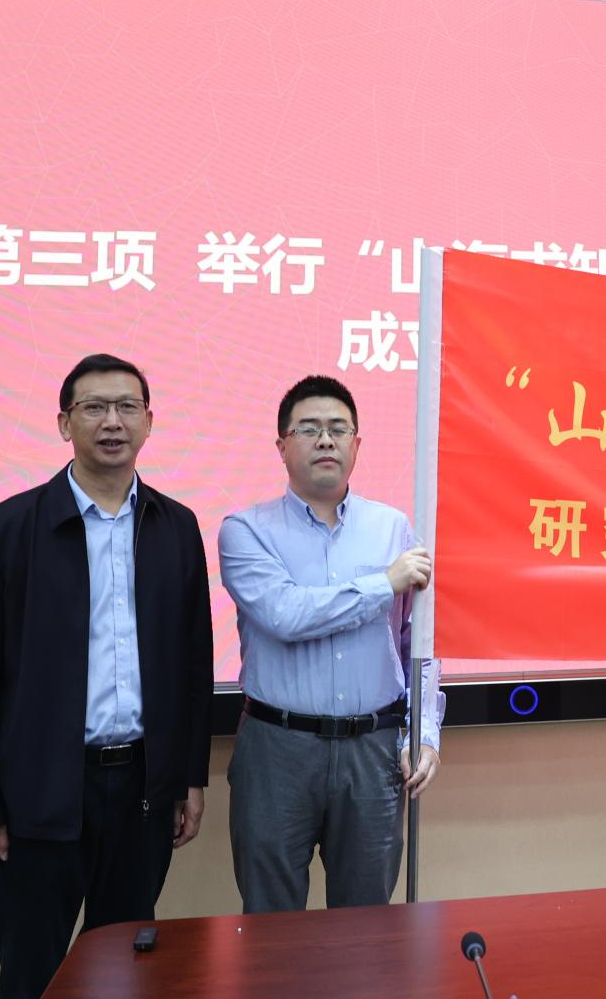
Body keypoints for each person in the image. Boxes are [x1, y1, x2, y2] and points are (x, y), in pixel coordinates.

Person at [0, 354, 213, 998]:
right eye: (94, 407)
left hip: (142, 792)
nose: (112, 422)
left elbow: (192, 665)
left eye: (127, 407)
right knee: (33, 974)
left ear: (149, 421)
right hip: (40, 794)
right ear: (65, 423)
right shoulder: (8, 529)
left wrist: (188, 776)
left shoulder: (176, 527)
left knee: (126, 971)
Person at [218, 374, 443, 913]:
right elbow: (285, 614)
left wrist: (425, 732)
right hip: (277, 749)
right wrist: (382, 583)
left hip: (373, 749)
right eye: (309, 428)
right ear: (282, 445)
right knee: (271, 924)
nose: (325, 440)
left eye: (339, 429)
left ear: (357, 444)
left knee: (365, 927)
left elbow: (419, 644)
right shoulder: (245, 530)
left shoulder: (393, 528)